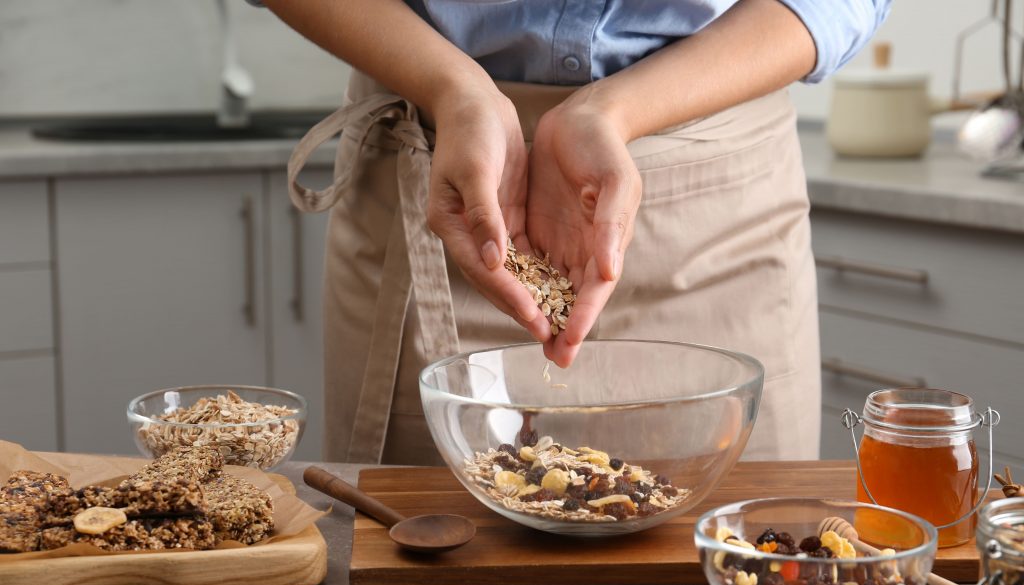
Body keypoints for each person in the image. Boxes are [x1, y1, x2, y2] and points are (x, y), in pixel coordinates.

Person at [263, 0, 891, 465]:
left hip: (716, 204)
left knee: (739, 581)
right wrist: (453, 90)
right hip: (444, 174)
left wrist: (612, 110)